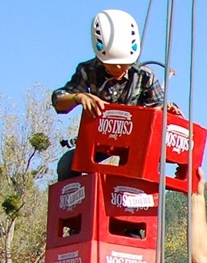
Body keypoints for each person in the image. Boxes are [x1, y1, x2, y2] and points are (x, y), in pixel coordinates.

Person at [52, 9, 180, 180]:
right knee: (67, 165)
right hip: (99, 142)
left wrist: (166, 111)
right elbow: (59, 100)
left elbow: (159, 108)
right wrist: (79, 97)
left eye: (124, 64)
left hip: (134, 146)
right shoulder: (88, 70)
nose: (119, 69)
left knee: (143, 172)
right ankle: (76, 203)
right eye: (113, 65)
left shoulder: (144, 75)